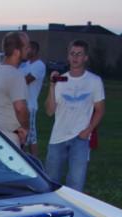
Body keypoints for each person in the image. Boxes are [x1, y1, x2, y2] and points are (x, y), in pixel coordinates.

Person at [45, 40, 105, 192]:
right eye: (72, 54)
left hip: (80, 138)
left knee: (76, 185)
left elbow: (100, 109)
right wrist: (52, 86)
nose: (75, 57)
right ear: (68, 56)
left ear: (85, 57)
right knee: (51, 183)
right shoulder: (61, 80)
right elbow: (50, 111)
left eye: (79, 54)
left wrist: (88, 130)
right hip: (58, 137)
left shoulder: (94, 81)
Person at [19, 41, 46, 156]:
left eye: (27, 48)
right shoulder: (25, 64)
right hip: (20, 104)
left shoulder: (39, 65)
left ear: (34, 50)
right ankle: (24, 161)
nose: (25, 51)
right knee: (21, 137)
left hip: (30, 106)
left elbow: (26, 80)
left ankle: (35, 163)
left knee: (32, 137)